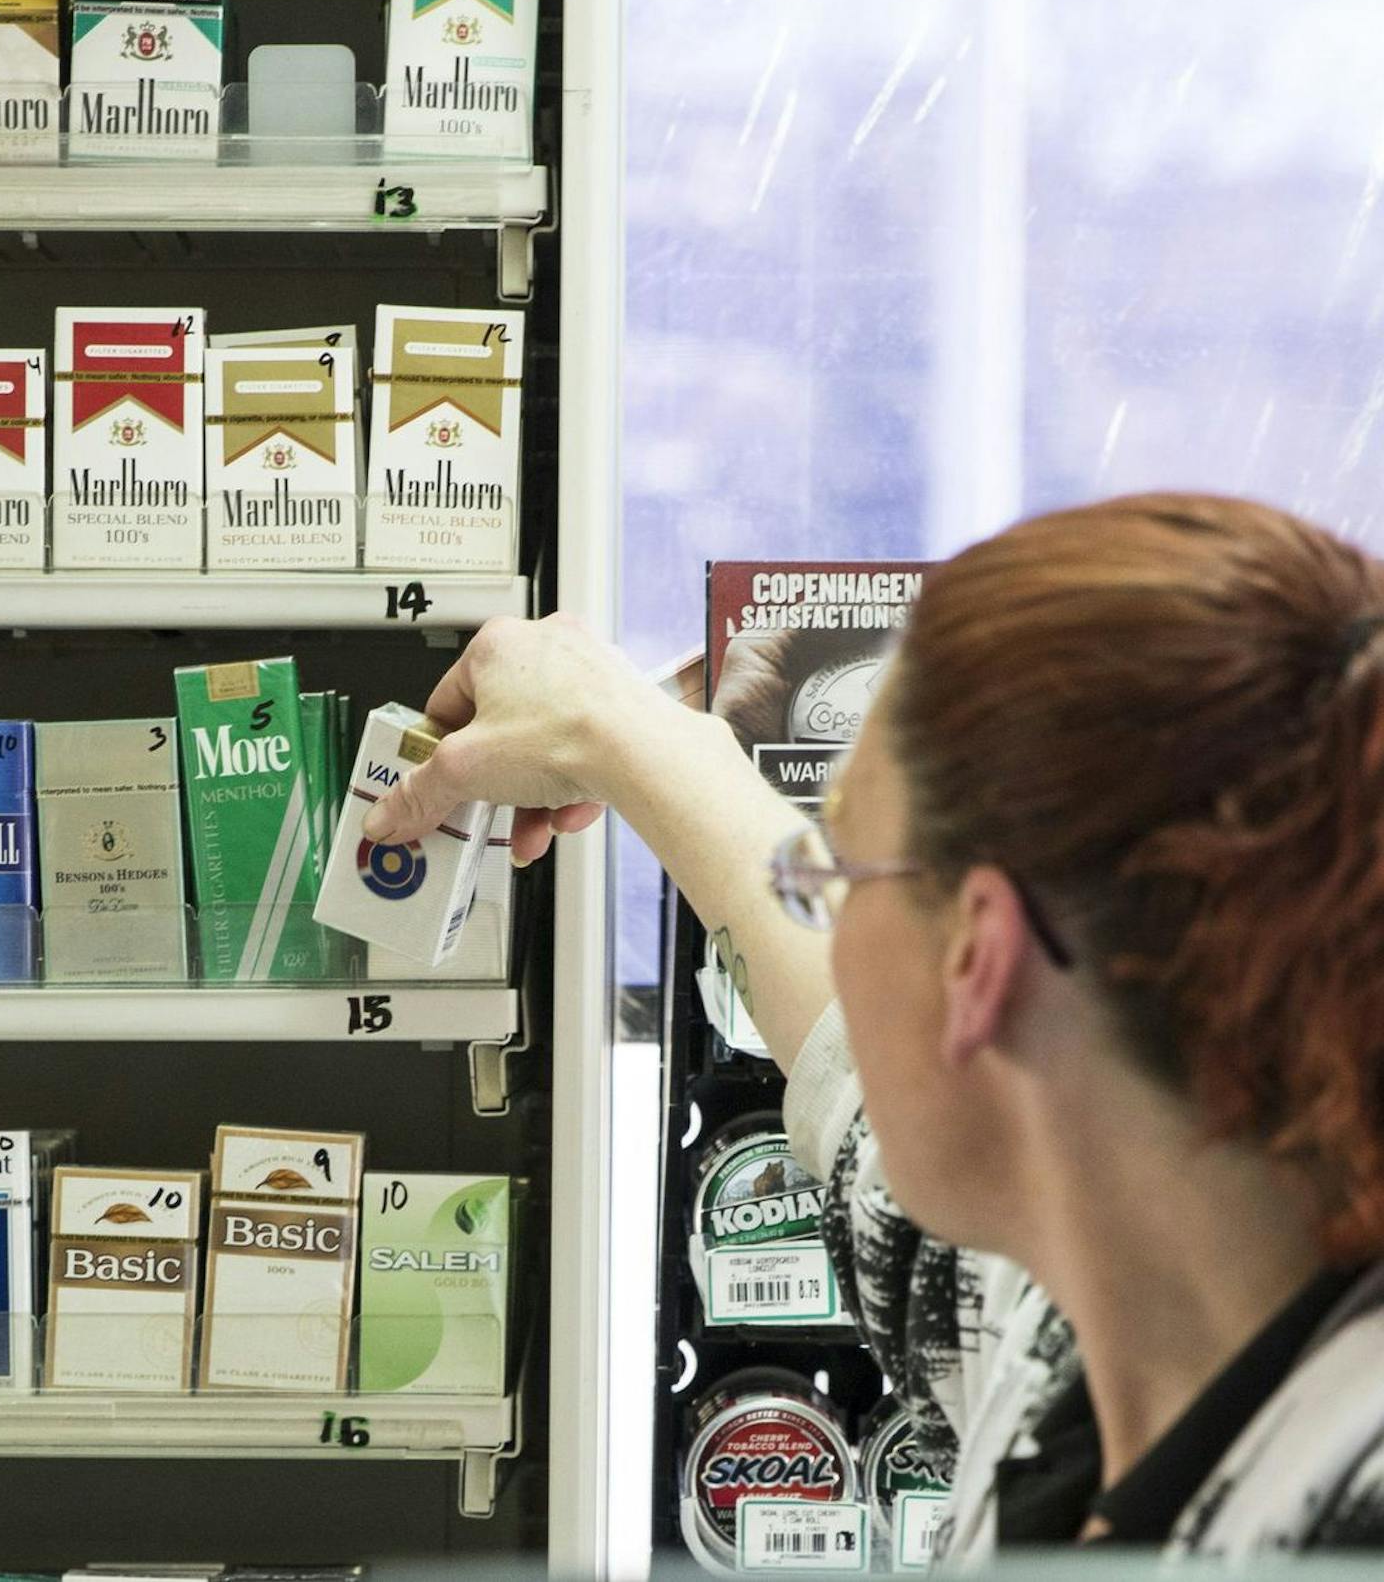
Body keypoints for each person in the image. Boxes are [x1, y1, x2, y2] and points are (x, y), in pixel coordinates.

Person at [363, 493, 1384, 1559]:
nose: (824, 917)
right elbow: (837, 1060)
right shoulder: (1086, 1316)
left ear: (976, 958)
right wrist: (613, 729)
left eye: (839, 870)